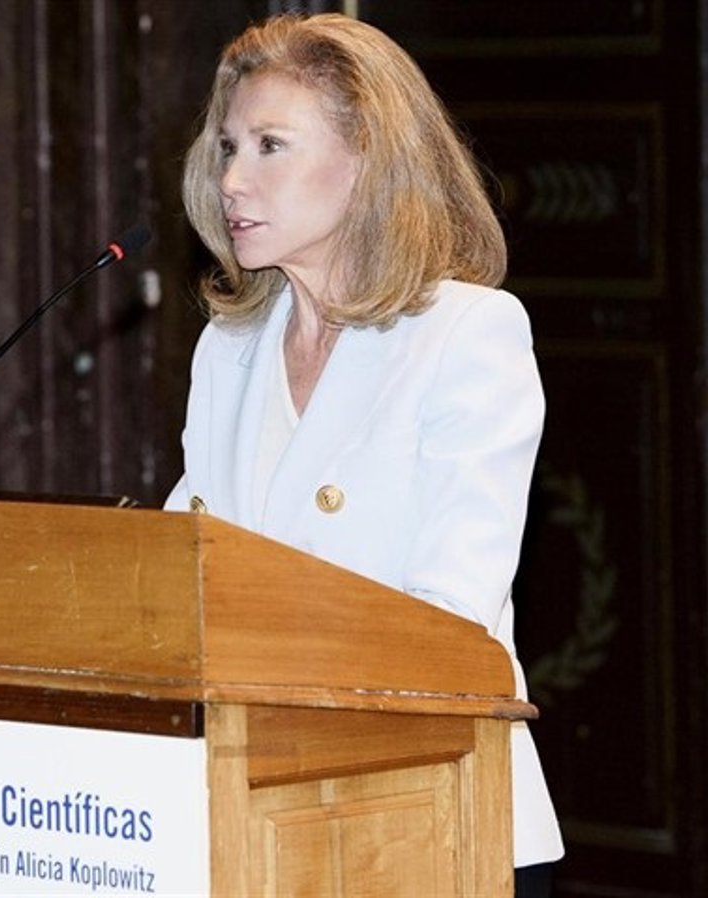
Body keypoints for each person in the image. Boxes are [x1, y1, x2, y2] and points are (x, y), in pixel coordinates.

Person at [165, 13, 563, 896]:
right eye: (228, 146)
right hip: (263, 817)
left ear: (368, 160)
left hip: (434, 812)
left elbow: (449, 624)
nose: (232, 179)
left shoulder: (466, 334)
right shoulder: (229, 350)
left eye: (271, 146)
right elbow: (180, 574)